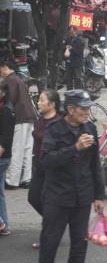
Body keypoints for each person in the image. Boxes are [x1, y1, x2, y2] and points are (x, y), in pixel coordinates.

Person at [36, 90, 106, 263]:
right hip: (57, 196)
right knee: (50, 242)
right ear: (70, 110)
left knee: (79, 244)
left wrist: (99, 195)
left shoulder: (90, 128)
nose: (87, 112)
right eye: (83, 109)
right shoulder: (54, 130)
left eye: (88, 108)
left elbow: (95, 164)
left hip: (82, 196)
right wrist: (74, 148)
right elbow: (45, 161)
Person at [0, 59, 36, 190]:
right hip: (28, 117)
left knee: (16, 149)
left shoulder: (9, 81)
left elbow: (8, 102)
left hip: (18, 118)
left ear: (3, 67)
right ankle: (26, 179)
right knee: (27, 149)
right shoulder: (18, 78)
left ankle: (12, 181)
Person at [29, 90, 61, 218]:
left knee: (50, 200)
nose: (38, 103)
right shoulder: (40, 120)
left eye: (42, 100)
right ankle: (54, 220)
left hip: (52, 169)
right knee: (33, 198)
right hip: (38, 166)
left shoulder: (59, 123)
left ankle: (54, 222)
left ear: (52, 104)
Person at [0, 82, 15, 236]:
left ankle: (1, 222)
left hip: (2, 157)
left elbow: (6, 139)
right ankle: (4, 224)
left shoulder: (6, 110)